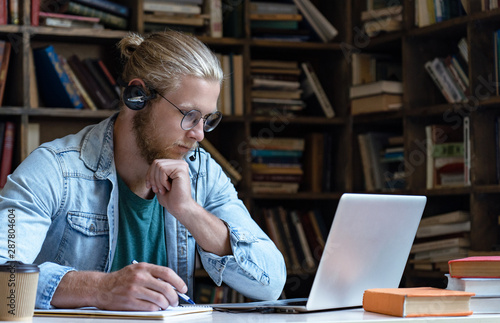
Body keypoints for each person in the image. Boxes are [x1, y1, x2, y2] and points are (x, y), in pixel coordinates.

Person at [0, 31, 286, 311]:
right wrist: (101, 289)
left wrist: (189, 211)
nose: (199, 134)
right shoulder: (53, 169)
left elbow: (271, 283)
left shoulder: (202, 173)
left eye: (207, 119)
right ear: (138, 96)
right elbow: (4, 274)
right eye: (190, 116)